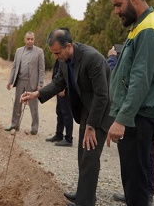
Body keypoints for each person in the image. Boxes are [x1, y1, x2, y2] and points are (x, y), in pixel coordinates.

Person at [20, 28, 113, 206]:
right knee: (82, 154)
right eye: (53, 53)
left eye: (57, 52)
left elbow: (102, 95)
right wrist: (36, 94)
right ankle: (84, 194)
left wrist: (92, 126)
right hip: (87, 109)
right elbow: (58, 82)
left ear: (68, 46)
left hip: (100, 111)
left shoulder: (91, 58)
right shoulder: (64, 60)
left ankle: (85, 202)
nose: (56, 57)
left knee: (90, 157)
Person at [107, 0, 154, 206]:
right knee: (135, 183)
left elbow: (140, 79)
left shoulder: (150, 28)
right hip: (137, 118)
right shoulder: (141, 27)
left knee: (136, 188)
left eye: (118, 4)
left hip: (138, 119)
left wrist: (121, 119)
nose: (116, 11)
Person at [108, 45, 154, 205]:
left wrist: (112, 59)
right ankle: (139, 193)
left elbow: (120, 78)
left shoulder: (148, 50)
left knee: (142, 156)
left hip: (140, 112)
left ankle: (143, 194)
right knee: (145, 154)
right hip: (143, 110)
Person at [5, 31, 45, 135]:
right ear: (25, 40)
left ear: (34, 40)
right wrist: (10, 81)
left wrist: (40, 84)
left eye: (32, 39)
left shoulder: (39, 52)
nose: (30, 41)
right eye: (28, 39)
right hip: (20, 81)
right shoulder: (18, 51)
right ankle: (14, 124)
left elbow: (41, 69)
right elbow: (14, 67)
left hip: (32, 83)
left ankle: (34, 127)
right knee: (17, 104)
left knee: (33, 106)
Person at [45, 58, 74, 146]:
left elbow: (68, 75)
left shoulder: (66, 58)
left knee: (67, 114)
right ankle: (59, 134)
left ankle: (68, 139)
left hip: (65, 91)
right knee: (59, 112)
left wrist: (64, 88)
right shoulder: (59, 58)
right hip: (58, 89)